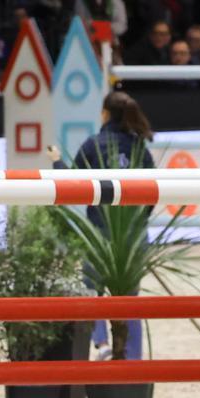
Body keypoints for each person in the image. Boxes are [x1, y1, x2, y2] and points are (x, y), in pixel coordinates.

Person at [49, 90, 153, 359]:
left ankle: (102, 344)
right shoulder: (140, 146)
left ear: (105, 113)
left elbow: (72, 186)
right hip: (133, 235)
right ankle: (133, 355)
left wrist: (56, 160)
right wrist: (141, 221)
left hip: (100, 233)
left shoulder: (93, 144)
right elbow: (154, 191)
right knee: (130, 298)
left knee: (92, 290)